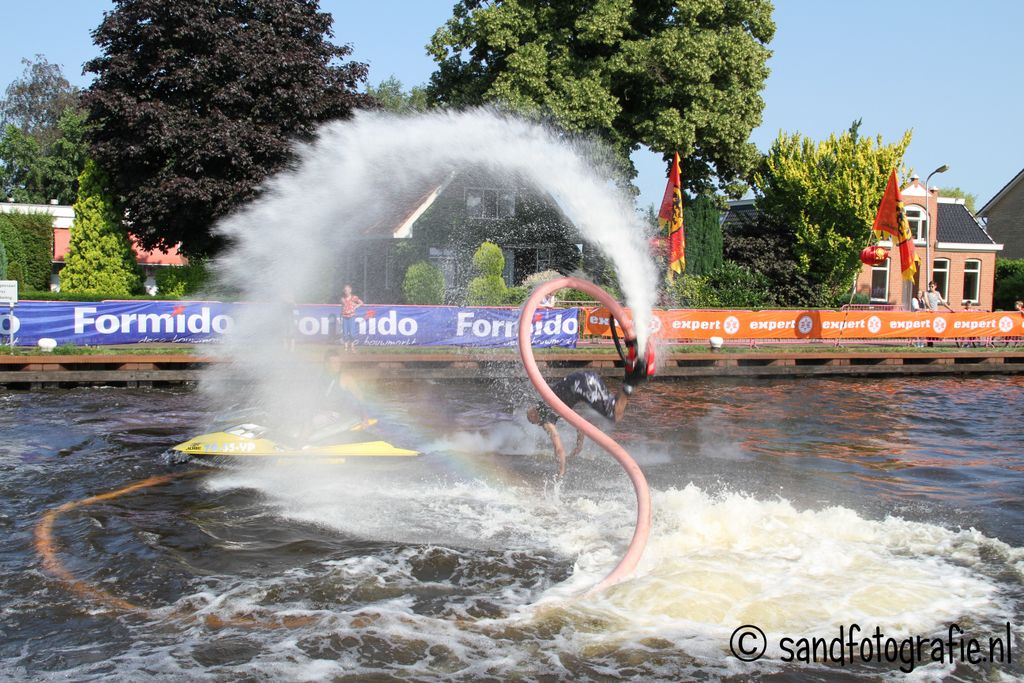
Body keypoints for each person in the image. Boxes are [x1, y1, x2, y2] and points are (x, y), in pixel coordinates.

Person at [526, 370, 630, 477]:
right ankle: (630, 378)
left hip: (583, 385)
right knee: (614, 407)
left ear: (537, 419)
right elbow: (578, 422)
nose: (539, 424)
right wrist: (579, 446)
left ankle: (630, 382)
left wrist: (561, 472)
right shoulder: (549, 400)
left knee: (614, 415)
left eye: (534, 421)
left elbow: (559, 448)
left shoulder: (546, 419)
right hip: (586, 375)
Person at [338, 285, 363, 352]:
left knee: (352, 333)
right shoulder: (342, 299)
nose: (346, 291)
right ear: (344, 291)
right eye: (345, 290)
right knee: (345, 333)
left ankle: (352, 346)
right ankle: (345, 347)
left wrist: (355, 307)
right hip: (344, 317)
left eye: (348, 290)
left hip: (351, 316)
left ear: (350, 290)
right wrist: (341, 314)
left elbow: (361, 303)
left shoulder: (354, 297)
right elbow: (342, 307)